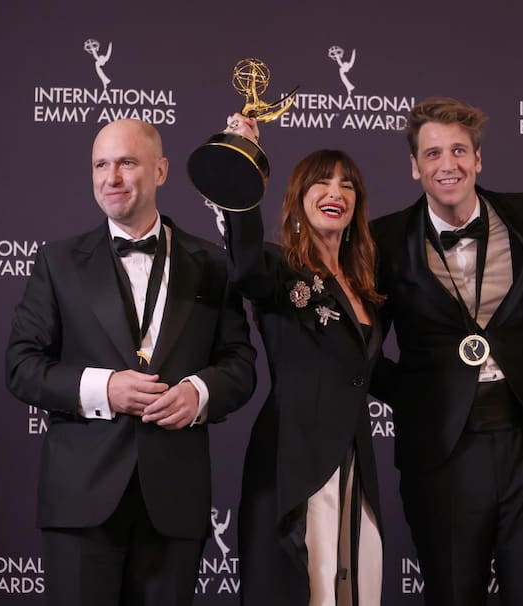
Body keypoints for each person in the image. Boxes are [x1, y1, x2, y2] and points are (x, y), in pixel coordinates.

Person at [4, 118, 257, 606]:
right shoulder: (57, 262)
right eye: (101, 164)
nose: (111, 178)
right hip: (80, 502)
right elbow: (20, 364)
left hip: (175, 503)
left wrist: (198, 393)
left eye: (126, 163)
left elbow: (239, 363)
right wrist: (104, 389)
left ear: (160, 171)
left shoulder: (211, 263)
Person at [370, 96, 523, 605]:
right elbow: (361, 348)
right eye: (433, 153)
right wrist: (421, 396)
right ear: (414, 166)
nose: (448, 164)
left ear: (478, 159)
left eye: (459, 150)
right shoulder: (384, 239)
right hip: (442, 451)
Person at [222, 115, 384, 605]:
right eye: (322, 181)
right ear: (298, 195)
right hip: (293, 457)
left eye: (347, 185)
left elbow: (369, 374)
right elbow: (243, 263)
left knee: (360, 588)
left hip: (355, 461)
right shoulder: (276, 266)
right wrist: (243, 159)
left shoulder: (367, 290)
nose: (336, 191)